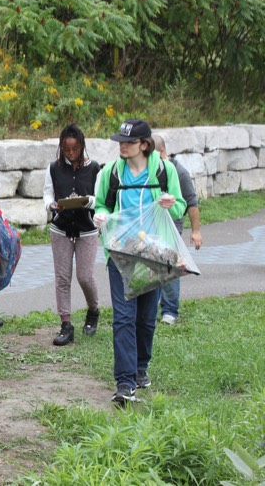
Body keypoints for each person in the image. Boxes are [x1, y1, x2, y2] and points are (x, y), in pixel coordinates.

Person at [94, 119, 186, 406]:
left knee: (146, 319)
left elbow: (181, 205)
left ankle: (141, 367)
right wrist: (99, 216)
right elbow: (100, 205)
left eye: (128, 142)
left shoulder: (164, 170)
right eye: (120, 141)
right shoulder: (110, 173)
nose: (121, 146)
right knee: (123, 318)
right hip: (121, 252)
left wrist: (172, 203)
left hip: (155, 253)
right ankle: (125, 383)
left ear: (144, 145)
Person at [42, 124, 102, 345]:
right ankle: (66, 324)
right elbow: (47, 194)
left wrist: (89, 201)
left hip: (87, 228)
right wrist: (51, 206)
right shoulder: (54, 168)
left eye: (75, 149)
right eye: (66, 149)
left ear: (81, 146)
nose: (71, 153)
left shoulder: (94, 167)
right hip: (61, 228)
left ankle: (93, 309)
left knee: (85, 276)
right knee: (62, 278)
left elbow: (101, 197)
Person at [152, 134, 202, 324]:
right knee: (154, 265)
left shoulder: (178, 172)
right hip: (152, 226)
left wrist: (196, 231)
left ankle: (170, 310)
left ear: (162, 151)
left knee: (170, 266)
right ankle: (151, 306)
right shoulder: (148, 170)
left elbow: (191, 203)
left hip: (173, 226)